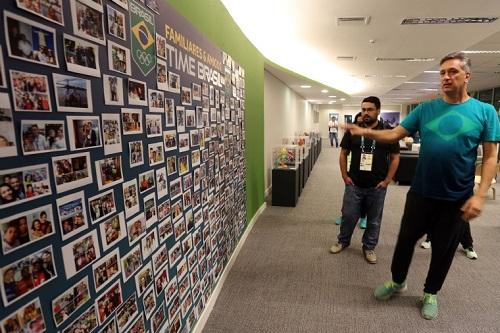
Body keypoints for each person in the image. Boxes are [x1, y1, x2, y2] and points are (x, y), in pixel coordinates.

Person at [344, 52, 499, 320]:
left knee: (443, 249)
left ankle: (430, 292)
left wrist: (481, 195)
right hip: (421, 192)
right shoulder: (426, 109)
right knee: (404, 242)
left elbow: (491, 156)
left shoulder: (485, 112)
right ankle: (397, 281)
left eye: (452, 72)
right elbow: (395, 134)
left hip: (456, 197)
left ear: (467, 76)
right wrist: (366, 131)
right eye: (442, 73)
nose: (446, 77)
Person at [330, 96, 400, 264]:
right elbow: (343, 153)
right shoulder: (353, 130)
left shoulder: (388, 132)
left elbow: (395, 157)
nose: (366, 113)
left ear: (378, 111)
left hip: (377, 186)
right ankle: (343, 241)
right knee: (348, 216)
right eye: (363, 109)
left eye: (370, 109)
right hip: (354, 183)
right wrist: (344, 176)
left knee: (374, 220)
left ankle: (369, 247)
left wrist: (387, 180)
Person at [336, 112, 368, 229]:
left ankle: (363, 217)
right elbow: (343, 153)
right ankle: (344, 216)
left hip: (370, 174)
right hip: (354, 171)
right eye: (358, 122)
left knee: (366, 200)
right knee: (348, 199)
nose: (360, 124)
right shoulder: (351, 134)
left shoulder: (373, 135)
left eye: (362, 122)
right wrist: (345, 175)